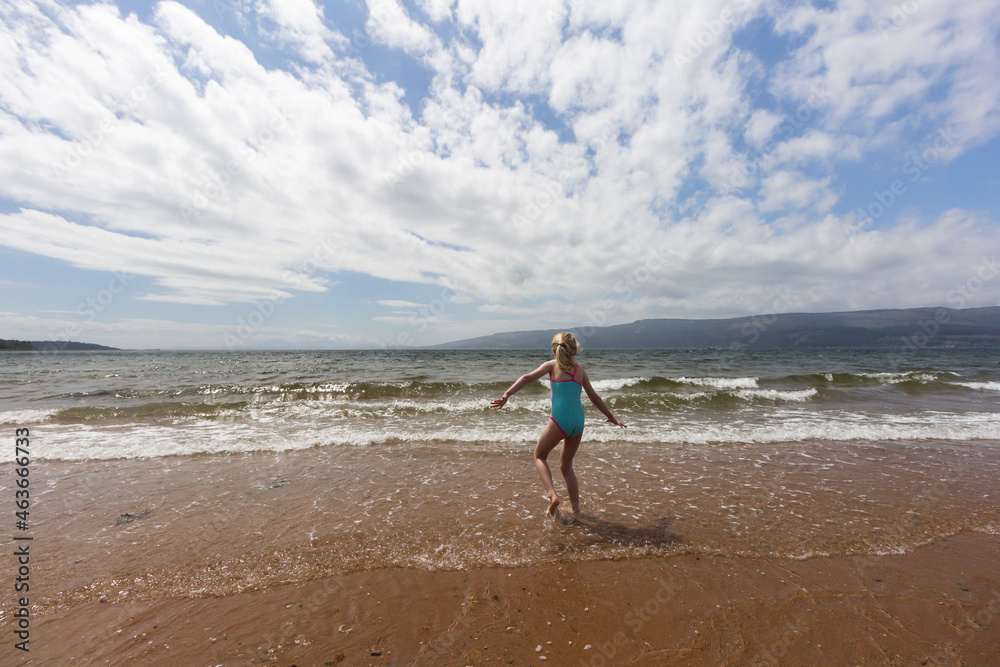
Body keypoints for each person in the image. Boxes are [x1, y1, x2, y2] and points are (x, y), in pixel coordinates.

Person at [490, 332, 626, 516]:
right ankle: (576, 508)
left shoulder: (551, 365)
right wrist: (611, 416)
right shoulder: (580, 371)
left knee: (539, 456)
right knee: (566, 465)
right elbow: (594, 397)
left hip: (559, 421)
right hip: (578, 422)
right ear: (575, 351)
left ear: (553, 351)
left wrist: (507, 394)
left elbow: (527, 378)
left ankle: (552, 494)